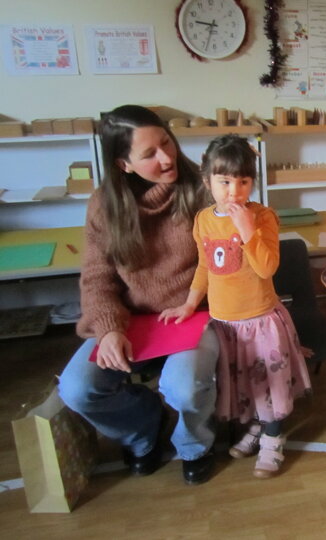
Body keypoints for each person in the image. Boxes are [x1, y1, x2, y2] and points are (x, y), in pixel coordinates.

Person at [58, 105, 219, 486]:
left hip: (193, 313)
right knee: (77, 389)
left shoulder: (203, 189)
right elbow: (97, 277)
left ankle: (195, 444)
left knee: (184, 387)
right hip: (133, 320)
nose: (166, 158)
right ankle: (143, 427)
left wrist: (195, 304)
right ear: (124, 164)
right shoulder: (104, 205)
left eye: (166, 142)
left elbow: (223, 262)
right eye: (149, 154)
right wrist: (109, 328)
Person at [159, 134, 311, 479]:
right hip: (224, 323)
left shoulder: (263, 217)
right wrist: (189, 304)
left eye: (244, 181)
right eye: (225, 181)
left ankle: (273, 437)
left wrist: (247, 231)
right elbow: (204, 267)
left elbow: (267, 268)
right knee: (248, 384)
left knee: (271, 383)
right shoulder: (203, 220)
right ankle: (258, 426)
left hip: (261, 321)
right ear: (207, 181)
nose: (234, 191)